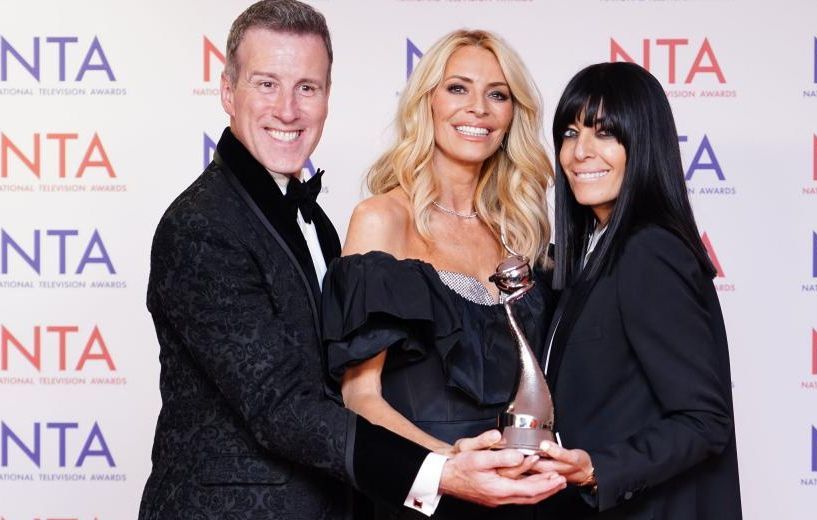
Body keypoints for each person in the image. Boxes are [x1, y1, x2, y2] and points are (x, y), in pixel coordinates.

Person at [139, 2, 564, 518]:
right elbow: (284, 405)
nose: (288, 110)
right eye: (267, 84)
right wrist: (442, 468)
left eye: (307, 88)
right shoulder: (203, 226)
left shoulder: (312, 220)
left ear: (326, 98)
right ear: (228, 92)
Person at [321, 29, 554, 519]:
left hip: (515, 496)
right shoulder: (383, 218)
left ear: (513, 113)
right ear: (426, 102)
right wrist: (449, 467)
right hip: (419, 495)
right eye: (457, 88)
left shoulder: (520, 231)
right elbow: (359, 396)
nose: (478, 108)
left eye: (498, 94)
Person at [532, 61, 742, 519]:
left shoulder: (648, 250)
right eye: (569, 133)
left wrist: (599, 469)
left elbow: (705, 421)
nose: (580, 152)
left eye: (603, 133)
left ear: (642, 143)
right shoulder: (594, 254)